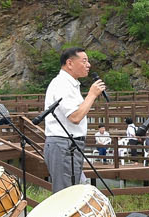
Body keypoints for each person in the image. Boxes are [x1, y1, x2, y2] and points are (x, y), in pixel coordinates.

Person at [42, 47, 106, 189]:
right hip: (63, 144)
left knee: (71, 189)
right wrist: (92, 95)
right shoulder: (61, 84)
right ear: (70, 63)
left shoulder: (71, 84)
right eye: (84, 61)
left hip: (70, 144)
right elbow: (75, 117)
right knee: (65, 192)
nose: (88, 65)